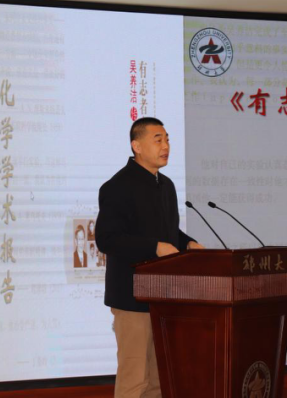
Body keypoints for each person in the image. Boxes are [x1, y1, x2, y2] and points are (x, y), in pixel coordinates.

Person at [95, 117, 204, 398]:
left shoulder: (165, 185)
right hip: (132, 298)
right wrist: (154, 247)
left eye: (167, 140)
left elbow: (166, 231)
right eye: (158, 140)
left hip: (164, 296)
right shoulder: (117, 186)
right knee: (135, 379)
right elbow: (107, 238)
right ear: (137, 146)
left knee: (158, 380)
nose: (165, 146)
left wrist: (187, 243)